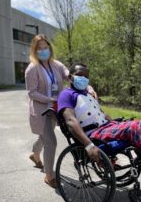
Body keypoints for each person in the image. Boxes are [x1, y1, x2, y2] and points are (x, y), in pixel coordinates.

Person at [25, 35, 96, 188]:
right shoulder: (32, 68)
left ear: (50, 48)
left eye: (45, 47)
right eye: (39, 48)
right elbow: (32, 93)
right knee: (50, 141)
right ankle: (49, 175)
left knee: (46, 135)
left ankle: (35, 154)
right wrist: (50, 100)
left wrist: (88, 87)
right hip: (42, 110)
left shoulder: (56, 64)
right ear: (34, 50)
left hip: (56, 108)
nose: (43, 51)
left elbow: (73, 77)